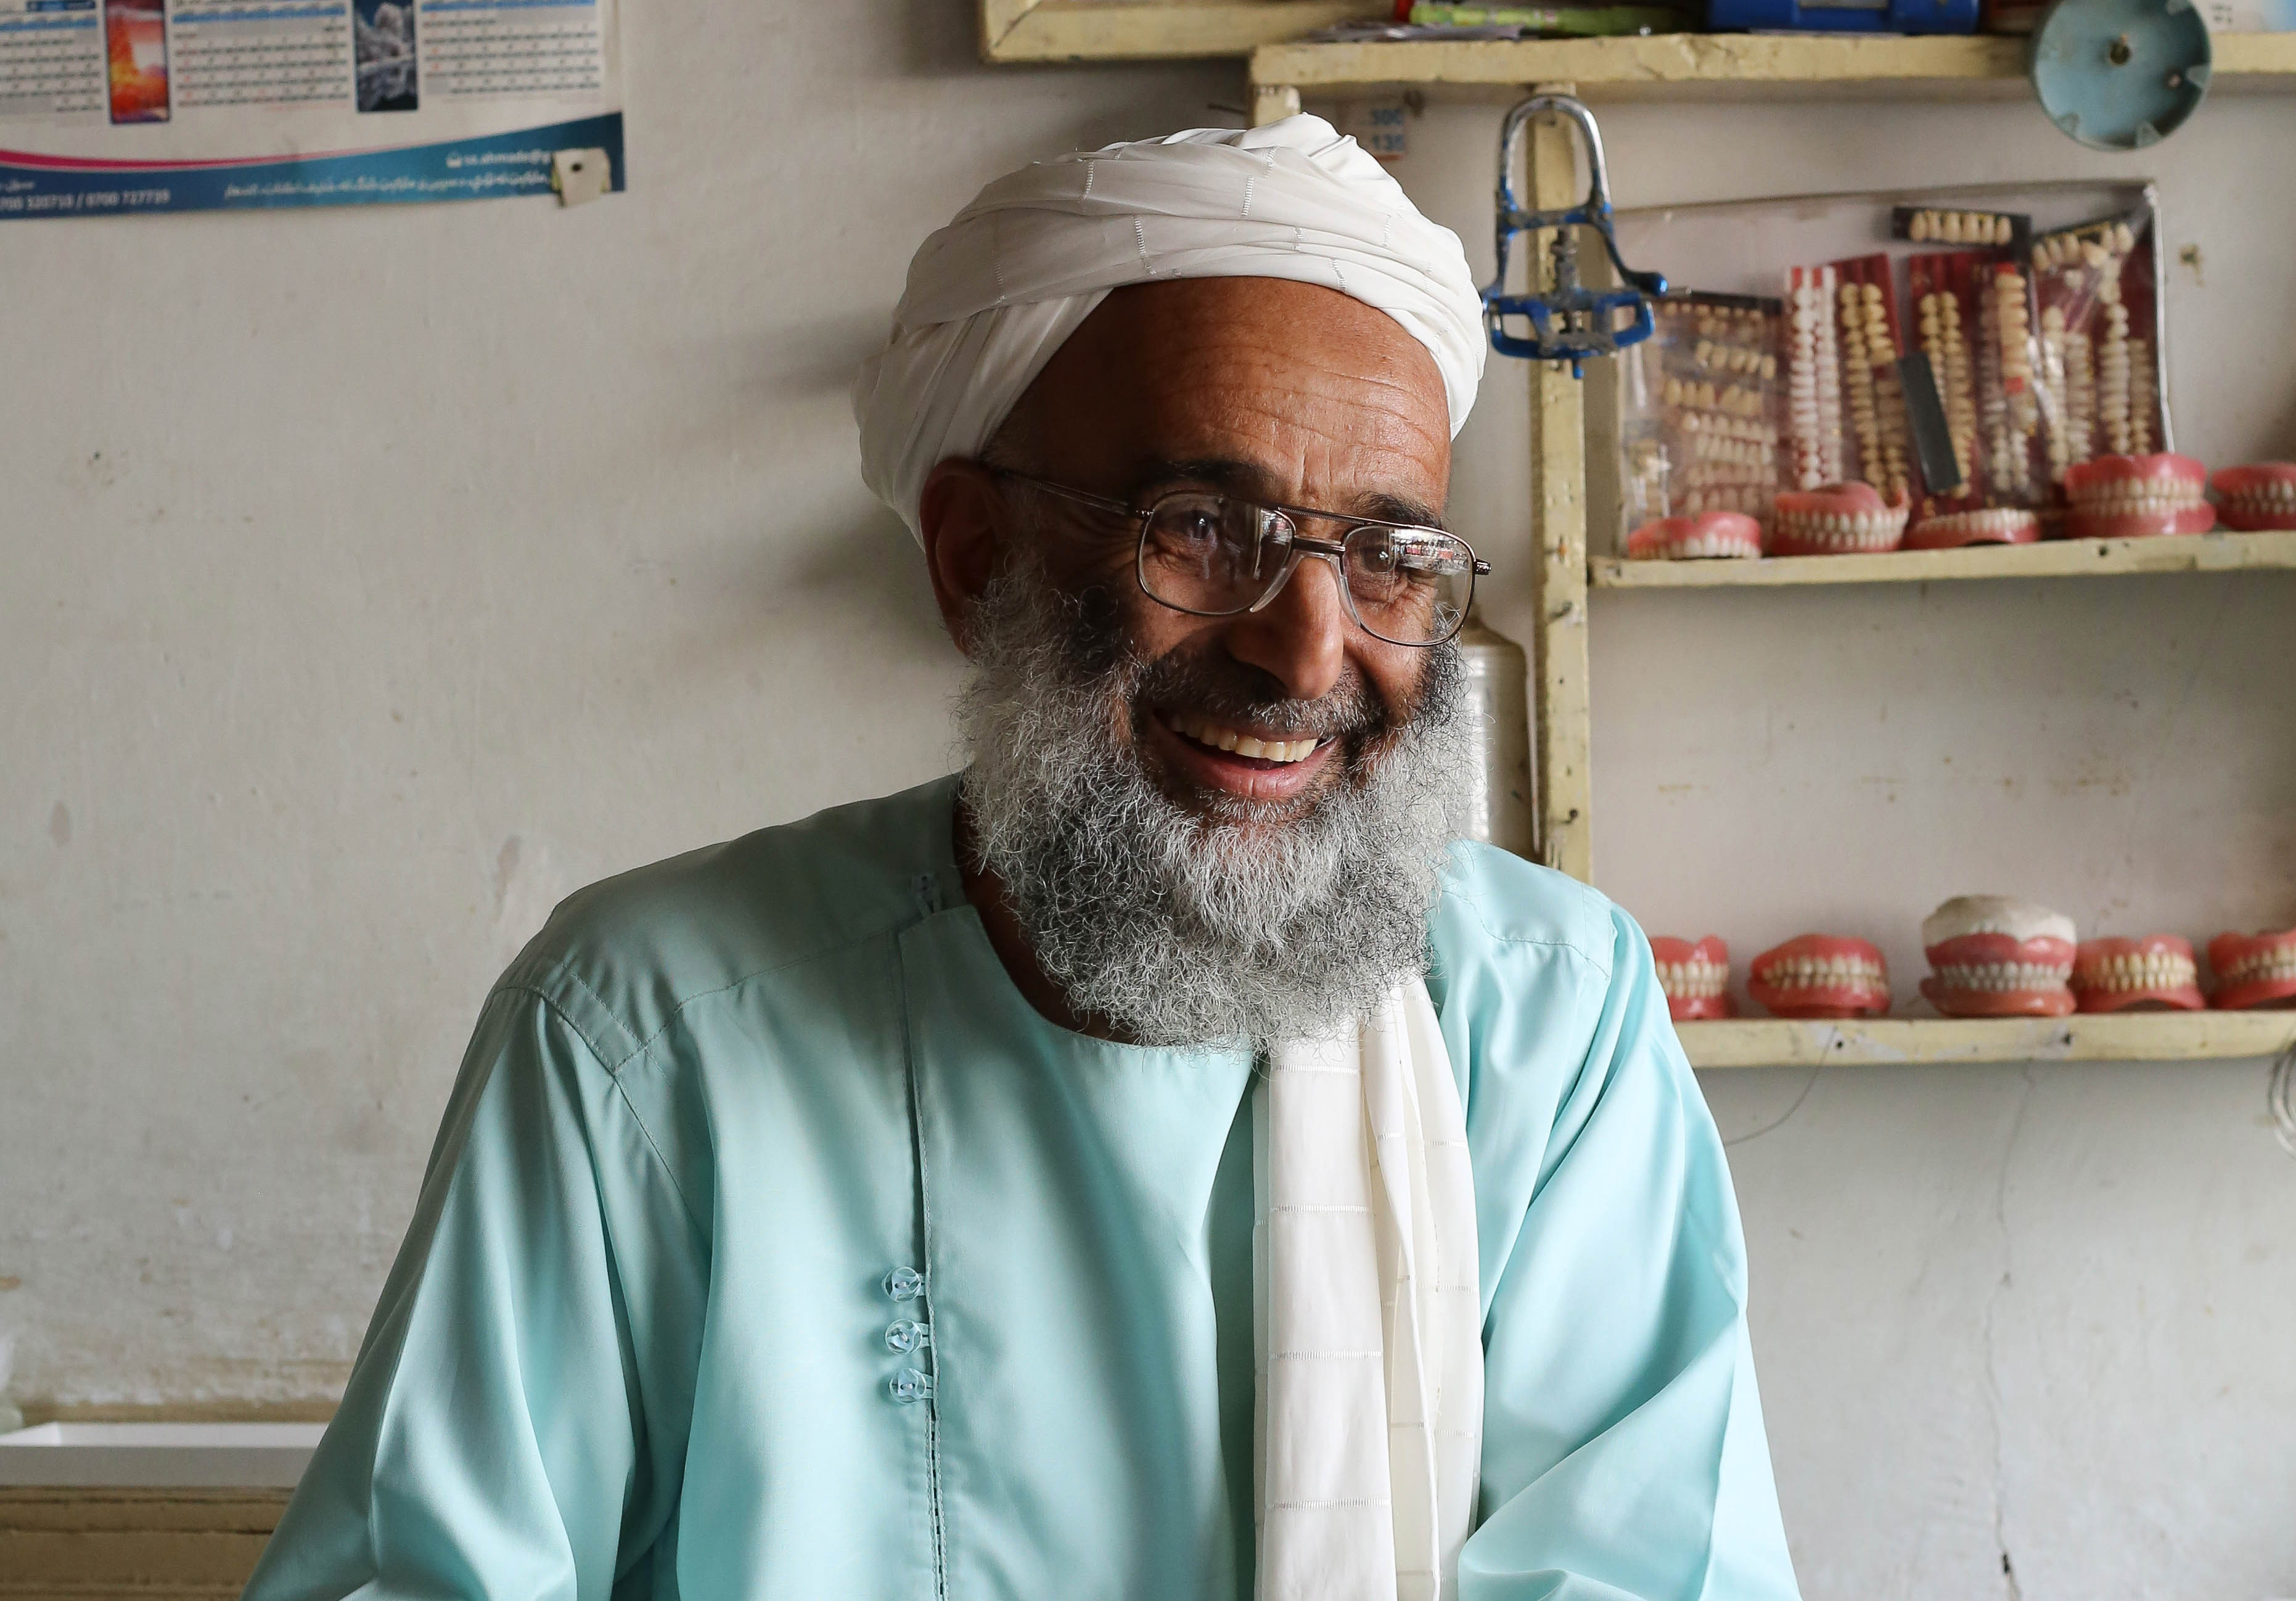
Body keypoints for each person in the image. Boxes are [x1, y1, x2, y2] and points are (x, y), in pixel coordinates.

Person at [242, 117, 1798, 1601]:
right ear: (975, 559)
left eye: (1388, 557)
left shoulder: (1546, 1019)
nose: (1309, 651)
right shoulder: (643, 1031)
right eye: (1204, 526)